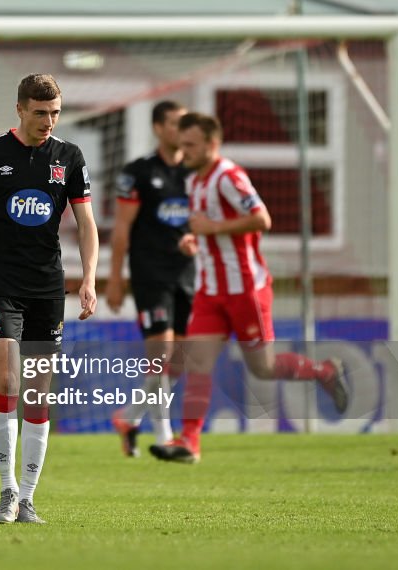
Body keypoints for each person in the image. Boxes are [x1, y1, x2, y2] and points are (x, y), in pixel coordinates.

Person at [149, 112, 348, 465]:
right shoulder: (195, 181)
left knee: (263, 368)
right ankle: (189, 442)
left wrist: (212, 228)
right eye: (181, 145)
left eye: (191, 145)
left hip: (246, 290)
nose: (184, 151)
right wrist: (196, 241)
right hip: (211, 291)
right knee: (197, 362)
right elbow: (209, 229)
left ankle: (324, 372)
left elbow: (262, 218)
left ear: (213, 144)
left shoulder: (229, 176)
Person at [0, 74, 98, 524]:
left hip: (47, 289)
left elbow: (88, 224)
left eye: (55, 112)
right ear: (20, 109)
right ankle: (6, 490)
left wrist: (89, 279)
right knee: (8, 381)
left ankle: (29, 498)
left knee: (37, 392)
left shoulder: (69, 157)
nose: (49, 121)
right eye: (40, 113)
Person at [106, 101, 193, 457]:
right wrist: (114, 277)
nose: (181, 131)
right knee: (160, 356)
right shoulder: (138, 172)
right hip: (149, 274)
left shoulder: (195, 172)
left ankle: (129, 417)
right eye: (175, 124)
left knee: (178, 362)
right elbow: (123, 227)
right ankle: (164, 437)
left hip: (187, 274)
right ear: (158, 128)